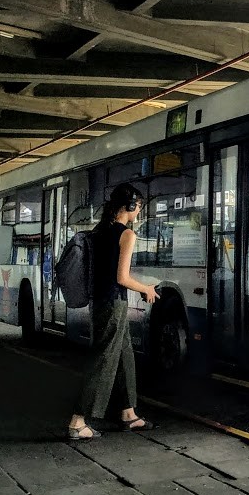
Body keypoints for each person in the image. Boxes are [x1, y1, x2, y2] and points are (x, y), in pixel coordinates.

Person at [67, 184, 159, 440]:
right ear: (130, 206)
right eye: (138, 207)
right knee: (104, 359)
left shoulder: (99, 231)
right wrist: (146, 288)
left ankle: (128, 414)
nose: (138, 213)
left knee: (124, 354)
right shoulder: (127, 234)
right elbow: (122, 277)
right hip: (113, 303)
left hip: (99, 301)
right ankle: (77, 420)